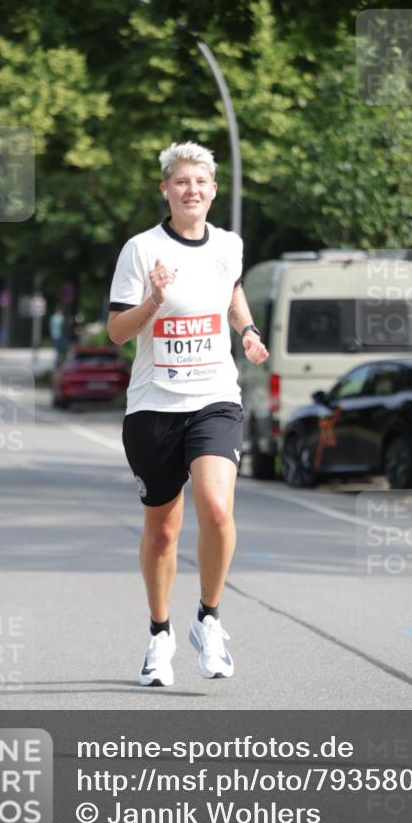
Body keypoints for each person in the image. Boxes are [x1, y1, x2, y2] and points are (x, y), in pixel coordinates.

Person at [108, 141, 268, 687]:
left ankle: (208, 619)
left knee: (217, 511)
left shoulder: (229, 245)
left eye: (200, 182)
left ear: (213, 189)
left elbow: (232, 292)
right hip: (154, 407)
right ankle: (159, 635)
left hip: (215, 398)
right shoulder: (140, 250)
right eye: (181, 182)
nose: (191, 190)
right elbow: (116, 331)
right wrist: (153, 300)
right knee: (162, 533)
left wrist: (246, 330)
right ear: (166, 190)